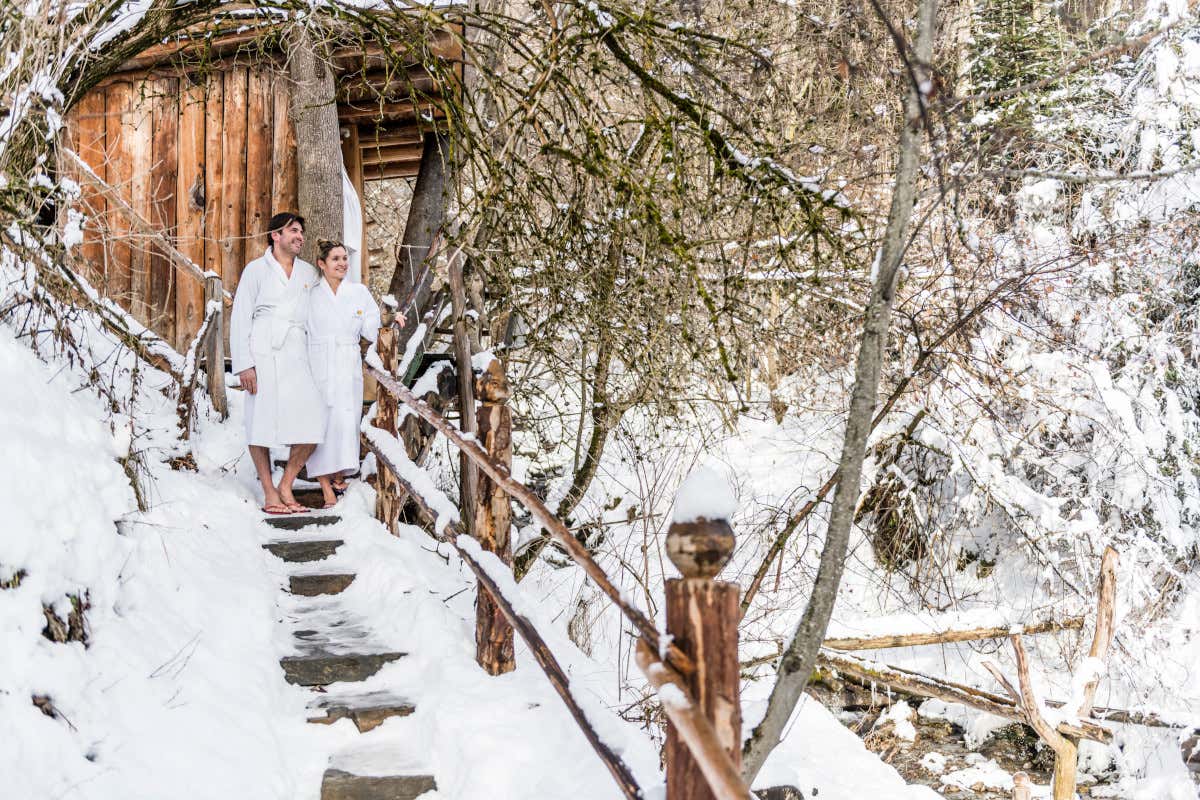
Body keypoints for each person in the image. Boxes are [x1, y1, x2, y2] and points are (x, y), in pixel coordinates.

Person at [230, 212, 327, 514]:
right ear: (275, 235)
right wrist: (244, 364)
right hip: (263, 351)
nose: (300, 236)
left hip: (298, 352)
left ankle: (287, 482)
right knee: (260, 420)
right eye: (294, 231)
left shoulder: (310, 273)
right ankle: (269, 491)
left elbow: (326, 309)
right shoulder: (256, 271)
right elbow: (240, 317)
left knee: (315, 421)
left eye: (301, 232)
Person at [306, 239, 390, 508]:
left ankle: (338, 472)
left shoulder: (358, 292)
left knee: (347, 419)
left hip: (347, 359)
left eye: (344, 258)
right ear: (322, 264)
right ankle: (324, 486)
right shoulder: (310, 292)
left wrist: (390, 321)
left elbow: (371, 325)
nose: (342, 263)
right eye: (335, 259)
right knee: (321, 421)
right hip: (317, 360)